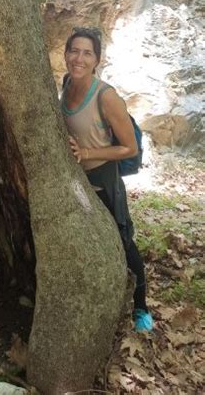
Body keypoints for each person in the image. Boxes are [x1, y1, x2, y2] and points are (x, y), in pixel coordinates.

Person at [60, 27, 153, 333]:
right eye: (74, 50)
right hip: (73, 181)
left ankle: (140, 307)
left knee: (122, 240)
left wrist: (86, 151)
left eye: (87, 53)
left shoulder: (106, 96)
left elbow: (130, 147)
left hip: (102, 180)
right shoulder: (66, 83)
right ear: (65, 54)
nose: (79, 58)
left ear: (97, 59)